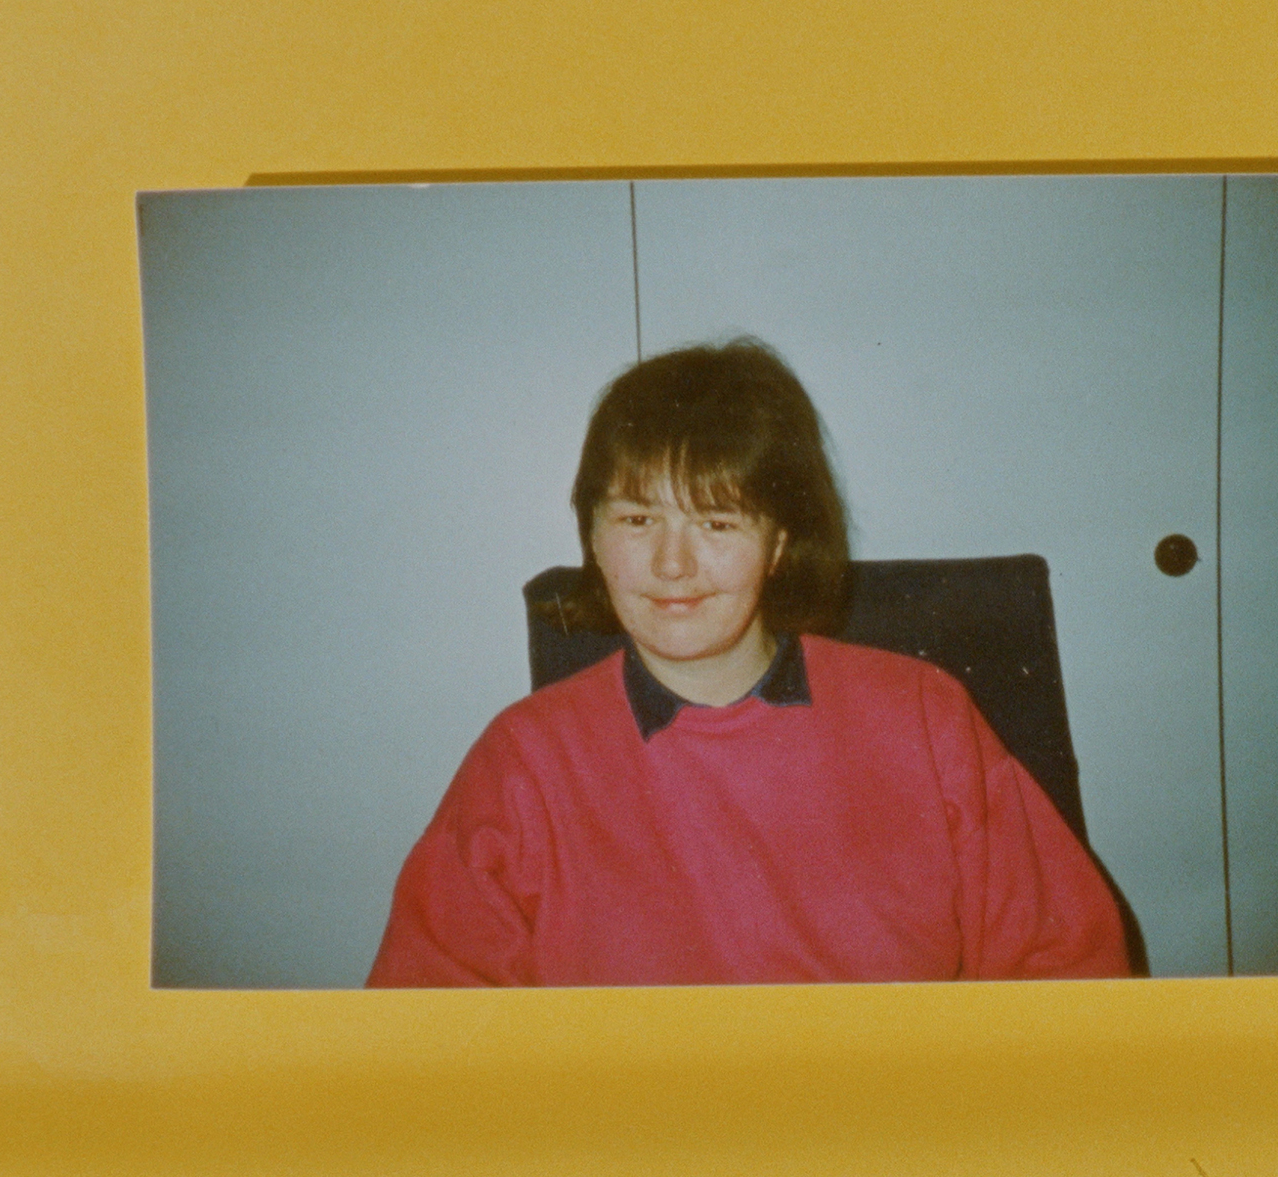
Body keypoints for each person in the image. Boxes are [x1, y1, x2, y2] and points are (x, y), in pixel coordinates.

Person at [367, 339, 1129, 986]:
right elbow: (429, 1041)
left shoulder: (925, 719)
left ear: (779, 543)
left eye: (717, 522)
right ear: (593, 538)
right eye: (637, 518)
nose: (672, 564)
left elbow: (1066, 974)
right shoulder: (523, 762)